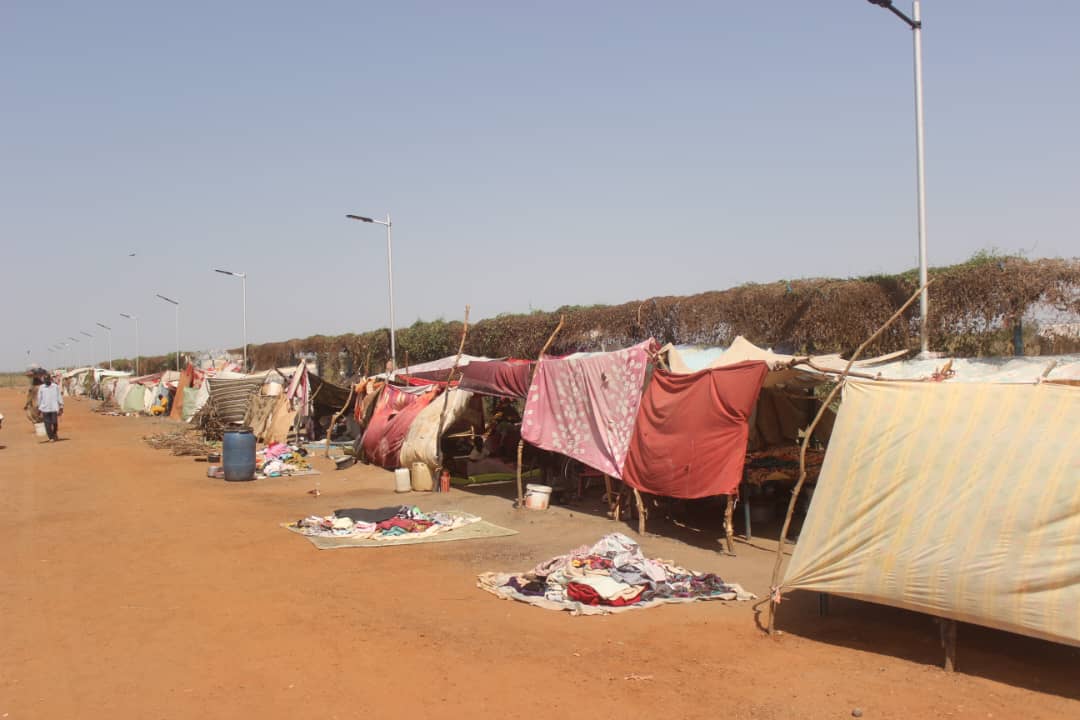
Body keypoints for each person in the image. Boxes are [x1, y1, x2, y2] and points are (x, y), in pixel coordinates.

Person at [37, 374, 63, 442]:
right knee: (47, 425)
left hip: (54, 408)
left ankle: (54, 433)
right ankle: (51, 437)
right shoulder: (41, 387)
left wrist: (61, 406)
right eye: (45, 380)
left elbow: (59, 396)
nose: (46, 381)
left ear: (50, 379)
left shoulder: (55, 386)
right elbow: (39, 398)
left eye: (47, 380)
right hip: (45, 409)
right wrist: (39, 409)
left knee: (54, 422)